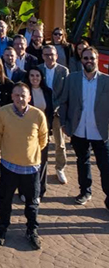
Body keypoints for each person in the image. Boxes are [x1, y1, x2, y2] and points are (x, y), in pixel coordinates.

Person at [0, 83, 48, 250]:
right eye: (16, 95)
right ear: (12, 96)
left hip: (30, 168)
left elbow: (43, 139)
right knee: (5, 200)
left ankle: (32, 230)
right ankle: (2, 227)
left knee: (32, 202)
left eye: (23, 95)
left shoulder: (38, 115)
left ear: (29, 98)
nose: (20, 98)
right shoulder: (3, 112)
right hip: (9, 166)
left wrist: (28, 154)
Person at [59, 46, 109, 208]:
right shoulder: (72, 79)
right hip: (79, 129)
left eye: (92, 58)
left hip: (101, 131)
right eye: (86, 58)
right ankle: (85, 191)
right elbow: (64, 102)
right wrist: (63, 123)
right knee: (83, 161)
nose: (89, 61)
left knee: (105, 165)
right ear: (81, 60)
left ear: (97, 60)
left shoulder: (106, 81)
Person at [38, 45, 70, 185]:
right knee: (39, 141)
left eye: (52, 54)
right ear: (43, 56)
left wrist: (56, 106)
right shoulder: (38, 69)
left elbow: (66, 92)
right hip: (41, 110)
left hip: (57, 111)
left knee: (60, 143)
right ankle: (38, 165)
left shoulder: (63, 71)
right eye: (46, 54)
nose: (49, 57)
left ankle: (59, 168)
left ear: (56, 56)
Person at [27, 67, 54, 199]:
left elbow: (50, 111)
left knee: (42, 161)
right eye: (32, 75)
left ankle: (40, 189)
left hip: (43, 131)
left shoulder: (47, 91)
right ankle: (26, 190)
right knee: (28, 161)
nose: (35, 78)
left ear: (41, 77)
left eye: (37, 75)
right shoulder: (25, 92)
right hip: (27, 132)